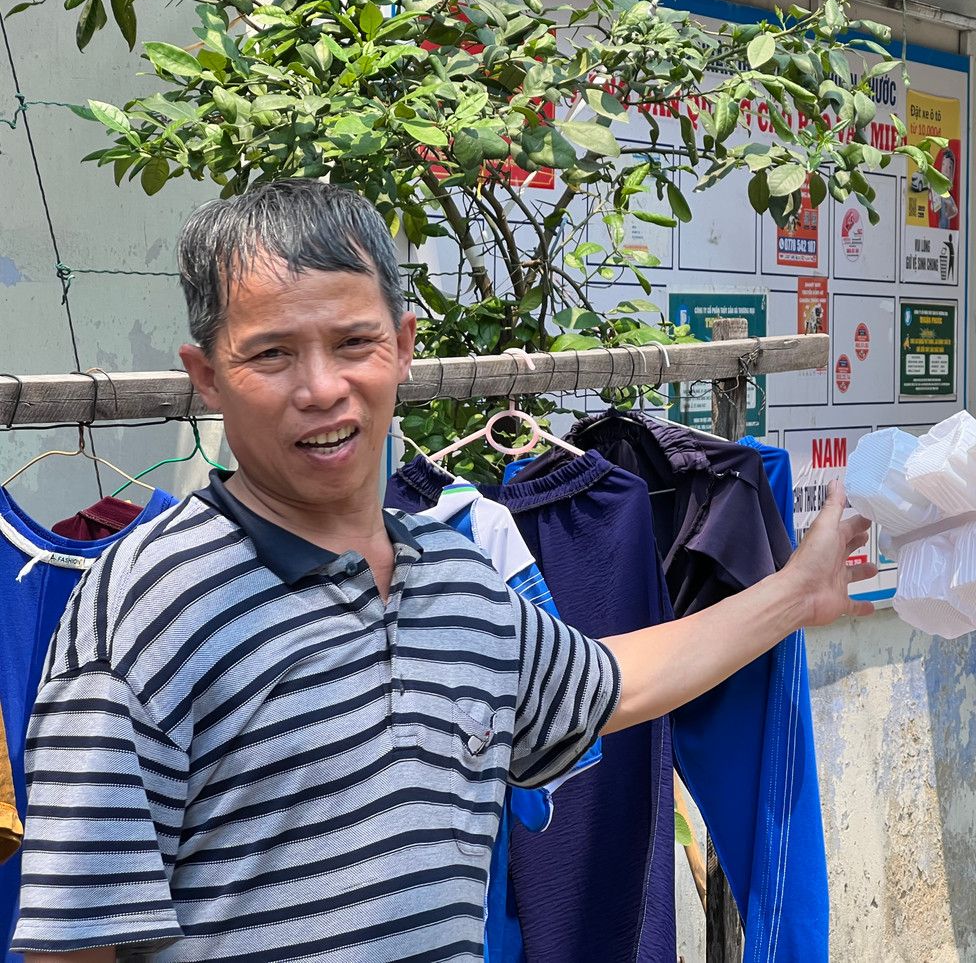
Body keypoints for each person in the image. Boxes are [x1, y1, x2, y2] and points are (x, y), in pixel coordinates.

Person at [12, 179, 874, 962]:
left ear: (403, 347)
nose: (322, 387)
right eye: (271, 354)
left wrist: (799, 590)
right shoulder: (145, 614)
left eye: (355, 341)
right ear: (206, 376)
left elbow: (614, 681)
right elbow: (73, 947)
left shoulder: (460, 585)